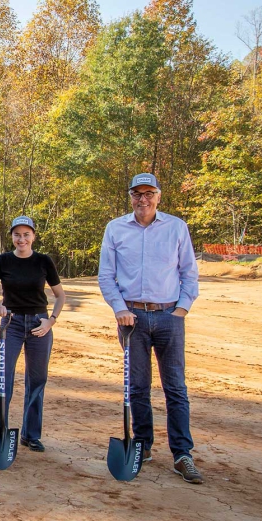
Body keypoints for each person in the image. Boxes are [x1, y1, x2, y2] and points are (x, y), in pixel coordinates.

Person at [98, 172, 202, 484]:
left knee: (175, 388)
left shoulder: (176, 228)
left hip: (169, 316)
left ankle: (182, 453)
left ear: (158, 196)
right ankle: (142, 445)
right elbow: (106, 275)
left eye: (149, 193)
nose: (142, 199)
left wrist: (181, 310)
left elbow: (189, 272)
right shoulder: (116, 228)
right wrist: (120, 309)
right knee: (138, 387)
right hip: (132, 320)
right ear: (130, 196)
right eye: (137, 194)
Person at [0, 216, 66, 455]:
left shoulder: (43, 261)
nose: (22, 239)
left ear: (33, 236)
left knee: (36, 380)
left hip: (39, 325)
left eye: (26, 234)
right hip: (11, 324)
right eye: (17, 235)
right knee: (1, 379)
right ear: (12, 237)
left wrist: (51, 321)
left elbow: (60, 295)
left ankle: (31, 435)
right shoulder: (3, 260)